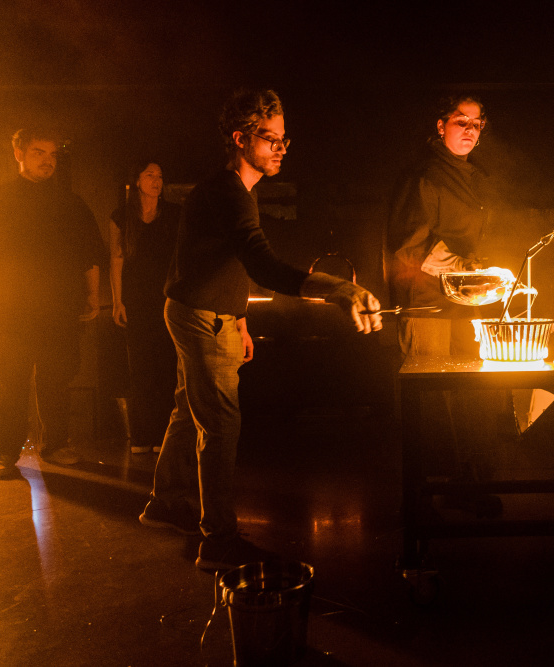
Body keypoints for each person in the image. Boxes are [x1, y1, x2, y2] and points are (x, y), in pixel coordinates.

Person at [138, 88, 382, 571]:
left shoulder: (235, 191)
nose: (280, 148)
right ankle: (218, 541)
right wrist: (336, 288)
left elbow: (220, 263)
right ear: (240, 138)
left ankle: (164, 501)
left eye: (283, 138)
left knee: (190, 410)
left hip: (212, 314)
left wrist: (240, 319)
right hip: (198, 317)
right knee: (221, 424)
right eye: (270, 138)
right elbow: (263, 265)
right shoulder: (226, 191)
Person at [0, 127, 104, 478]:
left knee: (57, 380)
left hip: (60, 309)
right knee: (10, 382)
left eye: (52, 155)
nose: (47, 161)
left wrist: (93, 295)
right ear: (19, 154)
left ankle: (56, 445)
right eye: (38, 152)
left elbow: (89, 257)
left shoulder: (71, 204)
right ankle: (5, 451)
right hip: (12, 309)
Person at [386, 93, 507, 518]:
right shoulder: (425, 176)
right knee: (432, 398)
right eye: (461, 121)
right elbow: (408, 247)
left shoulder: (475, 177)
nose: (471, 131)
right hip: (428, 307)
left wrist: (481, 272)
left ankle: (469, 482)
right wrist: (464, 267)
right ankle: (422, 493)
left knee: (472, 393)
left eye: (477, 123)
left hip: (468, 305)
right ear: (440, 126)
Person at [109, 161, 180, 455]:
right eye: (150, 175)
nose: (156, 181)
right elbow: (116, 258)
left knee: (167, 365)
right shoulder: (122, 216)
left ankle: (165, 434)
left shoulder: (174, 214)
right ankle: (141, 435)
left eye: (160, 176)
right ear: (136, 180)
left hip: (166, 298)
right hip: (136, 299)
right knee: (139, 367)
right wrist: (117, 300)